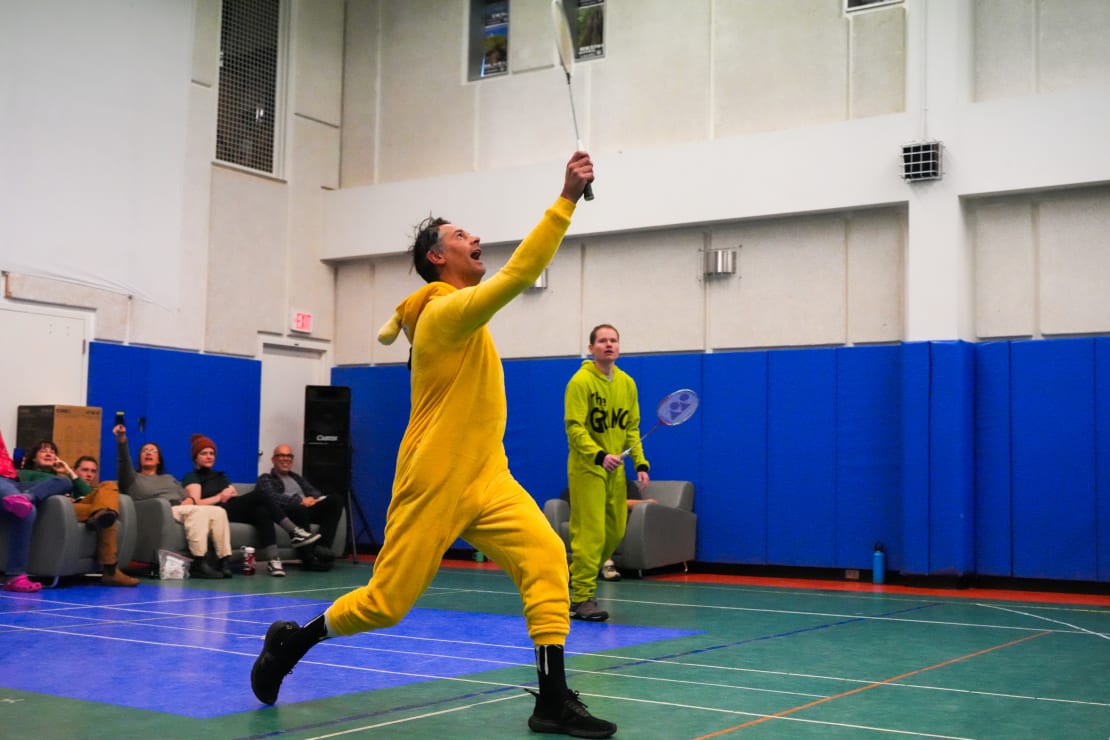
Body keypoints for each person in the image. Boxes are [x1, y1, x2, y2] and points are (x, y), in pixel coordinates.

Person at [250, 151, 615, 738]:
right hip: (435, 480)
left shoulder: (465, 319)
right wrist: (566, 197)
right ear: (437, 259)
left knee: (547, 558)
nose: (475, 237)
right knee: (385, 604)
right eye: (460, 234)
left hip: (488, 478)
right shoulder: (443, 314)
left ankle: (552, 701)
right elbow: (520, 274)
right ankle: (290, 644)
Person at [564, 324, 650, 621]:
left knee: (614, 532)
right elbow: (574, 427)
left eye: (613, 340)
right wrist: (599, 455)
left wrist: (640, 462)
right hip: (588, 468)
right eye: (602, 341)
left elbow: (632, 428)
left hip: (616, 471)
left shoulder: (627, 383)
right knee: (591, 534)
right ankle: (582, 598)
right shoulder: (580, 382)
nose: (609, 345)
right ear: (592, 348)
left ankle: (577, 580)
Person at [183, 434, 319, 577]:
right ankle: (294, 531)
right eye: (204, 453)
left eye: (211, 453)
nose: (209, 456)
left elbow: (233, 493)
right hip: (216, 512)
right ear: (195, 457)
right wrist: (219, 497)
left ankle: (274, 561)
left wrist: (227, 494)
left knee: (261, 512)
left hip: (231, 506)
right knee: (260, 494)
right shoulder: (192, 477)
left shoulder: (220, 475)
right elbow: (196, 503)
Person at [115, 425, 233, 579]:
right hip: (158, 511)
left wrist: (189, 499)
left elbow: (187, 496)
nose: (149, 453)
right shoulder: (133, 479)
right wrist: (121, 439)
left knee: (218, 511)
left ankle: (224, 560)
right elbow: (124, 460)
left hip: (181, 508)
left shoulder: (169, 478)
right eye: (145, 451)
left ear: (159, 460)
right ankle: (199, 561)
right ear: (139, 458)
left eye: (153, 451)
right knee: (196, 511)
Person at [18, 440, 139, 587]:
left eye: (52, 451)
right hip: (52, 509)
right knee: (106, 512)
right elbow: (21, 491)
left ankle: (101, 515)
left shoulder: (64, 478)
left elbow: (89, 493)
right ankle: (110, 570)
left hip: (73, 508)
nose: (49, 453)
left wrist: (70, 473)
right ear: (33, 458)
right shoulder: (26, 473)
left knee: (108, 489)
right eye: (44, 450)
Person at [254, 444, 344, 571]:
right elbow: (270, 497)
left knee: (336, 500)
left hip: (306, 508)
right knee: (298, 508)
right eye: (282, 455)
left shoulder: (296, 478)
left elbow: (315, 492)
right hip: (286, 513)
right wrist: (300, 500)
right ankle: (308, 558)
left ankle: (322, 547)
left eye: (289, 456)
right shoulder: (266, 478)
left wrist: (313, 500)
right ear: (273, 460)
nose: (286, 459)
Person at [0, 430, 40, 592]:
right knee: (28, 512)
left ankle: (25, 498)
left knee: (62, 481)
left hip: (14, 481)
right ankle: (15, 575)